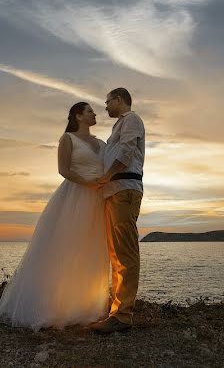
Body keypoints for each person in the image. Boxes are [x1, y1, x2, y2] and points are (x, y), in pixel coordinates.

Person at [0, 102, 109, 330]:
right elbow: (63, 170)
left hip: (98, 200)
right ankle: (51, 307)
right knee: (64, 247)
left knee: (91, 249)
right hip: (75, 197)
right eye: (89, 111)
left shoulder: (102, 143)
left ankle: (84, 305)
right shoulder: (68, 139)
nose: (95, 114)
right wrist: (89, 184)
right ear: (78, 115)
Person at [90, 87, 145, 334]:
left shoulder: (131, 120)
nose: (105, 106)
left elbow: (127, 151)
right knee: (116, 253)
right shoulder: (118, 126)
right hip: (115, 191)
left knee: (125, 253)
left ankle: (123, 316)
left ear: (119, 99)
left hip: (124, 189)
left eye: (108, 101)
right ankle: (116, 311)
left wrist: (107, 176)